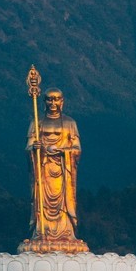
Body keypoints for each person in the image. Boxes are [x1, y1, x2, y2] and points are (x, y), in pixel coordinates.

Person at [25, 88, 85, 248]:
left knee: (64, 202)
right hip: (43, 169)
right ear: (44, 102)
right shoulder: (37, 123)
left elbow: (77, 148)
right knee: (41, 200)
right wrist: (34, 148)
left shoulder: (70, 123)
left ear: (62, 102)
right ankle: (41, 231)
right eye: (49, 100)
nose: (53, 103)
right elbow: (29, 147)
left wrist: (63, 151)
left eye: (56, 99)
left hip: (63, 171)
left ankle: (66, 233)